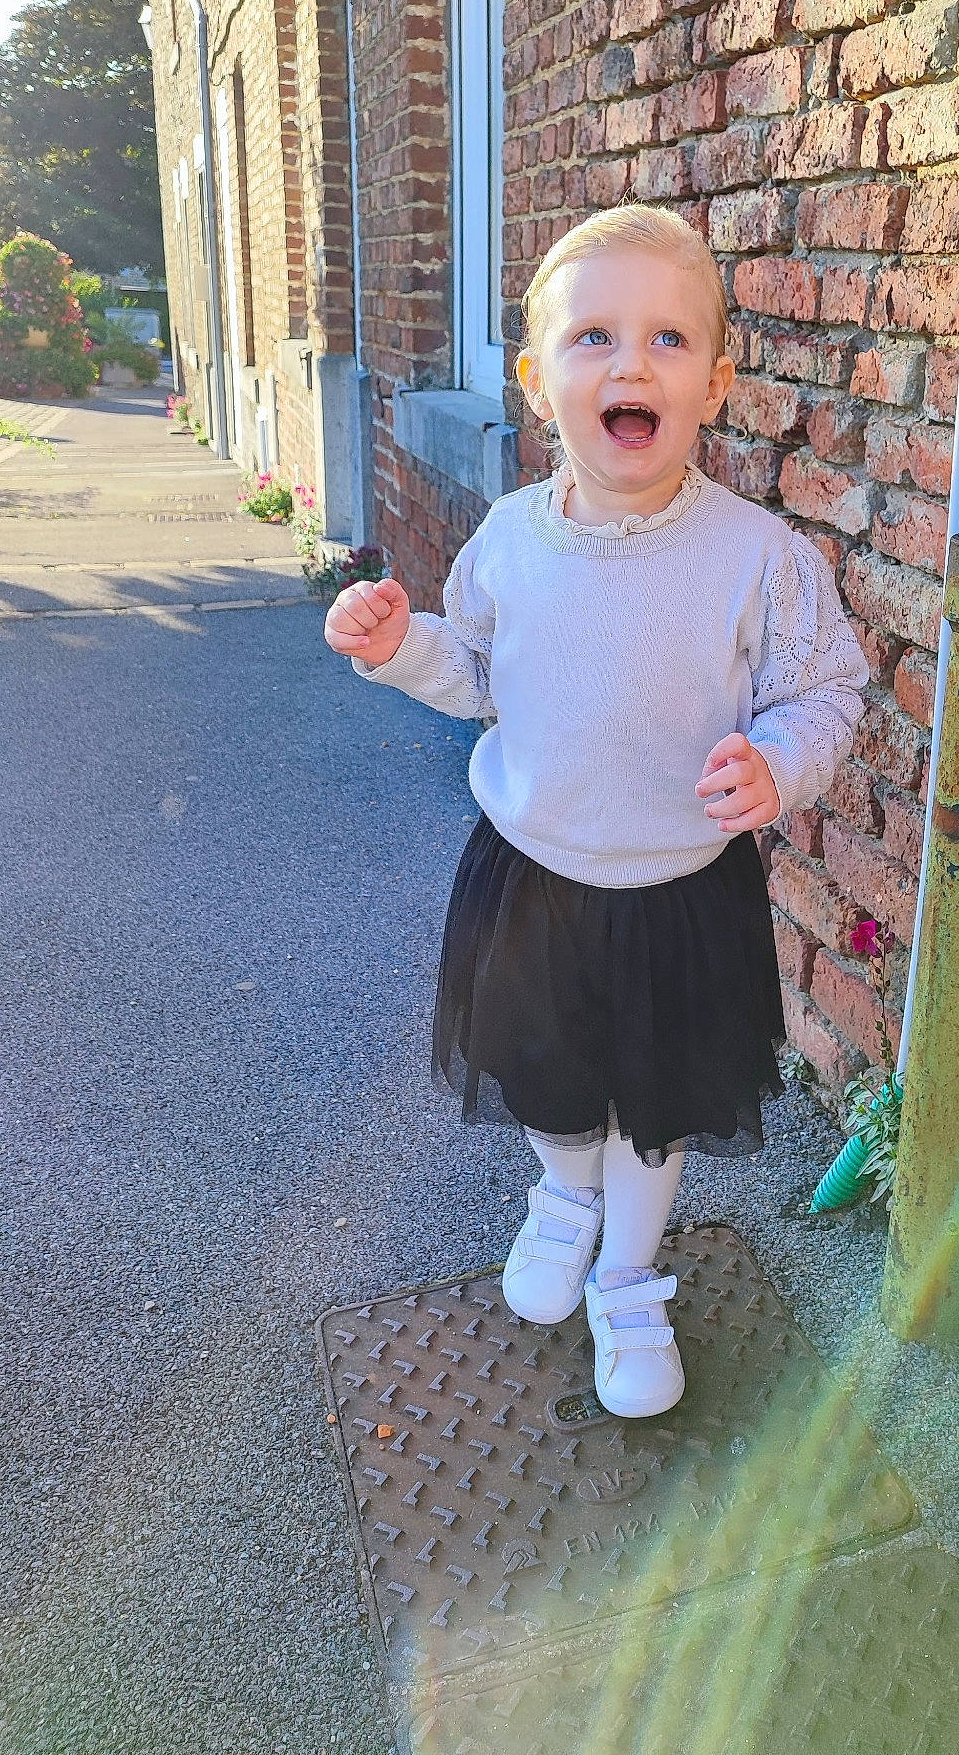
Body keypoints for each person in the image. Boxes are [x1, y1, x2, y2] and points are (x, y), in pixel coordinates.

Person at [324, 205, 870, 1418]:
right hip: (534, 876)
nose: (632, 362)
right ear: (536, 381)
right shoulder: (510, 541)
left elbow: (825, 685)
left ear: (715, 381)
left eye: (670, 338)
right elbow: (474, 670)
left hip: (680, 888)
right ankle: (562, 1196)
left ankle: (628, 1273)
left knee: (655, 1098)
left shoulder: (758, 557)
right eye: (595, 337)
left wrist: (781, 761)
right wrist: (396, 646)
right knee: (547, 1070)